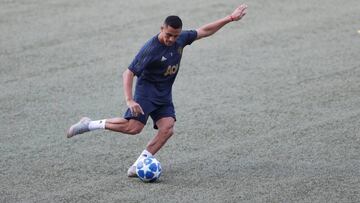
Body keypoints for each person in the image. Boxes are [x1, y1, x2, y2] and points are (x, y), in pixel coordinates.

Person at [66, 4, 247, 177]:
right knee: (133, 128)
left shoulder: (180, 39)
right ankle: (89, 124)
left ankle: (138, 165)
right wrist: (130, 100)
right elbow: (128, 73)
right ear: (162, 28)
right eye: (168, 35)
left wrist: (230, 18)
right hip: (147, 92)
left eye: (175, 36)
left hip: (164, 94)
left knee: (167, 128)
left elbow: (204, 31)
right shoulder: (151, 49)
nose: (171, 39)